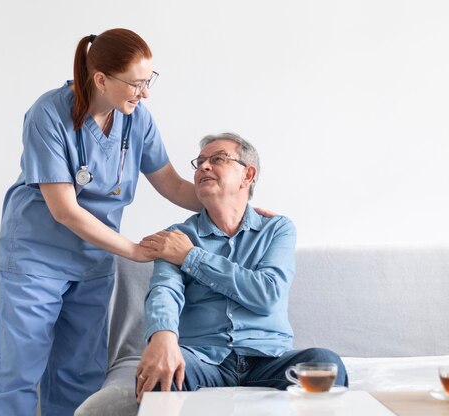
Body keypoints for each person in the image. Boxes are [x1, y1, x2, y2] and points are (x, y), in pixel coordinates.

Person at [0, 29, 203, 416]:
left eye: (148, 81)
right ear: (101, 79)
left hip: (93, 259)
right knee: (18, 371)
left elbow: (172, 184)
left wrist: (236, 203)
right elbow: (64, 209)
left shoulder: (138, 121)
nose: (145, 92)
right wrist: (133, 250)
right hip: (37, 257)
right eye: (136, 83)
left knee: (78, 374)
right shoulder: (48, 114)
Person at [135, 132, 348, 402]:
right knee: (160, 373)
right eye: (199, 162)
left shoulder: (277, 229)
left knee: (324, 363)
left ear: (247, 175)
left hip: (270, 358)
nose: (203, 166)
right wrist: (162, 337)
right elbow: (164, 292)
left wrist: (191, 257)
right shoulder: (176, 236)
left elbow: (267, 294)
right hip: (203, 358)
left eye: (218, 159)